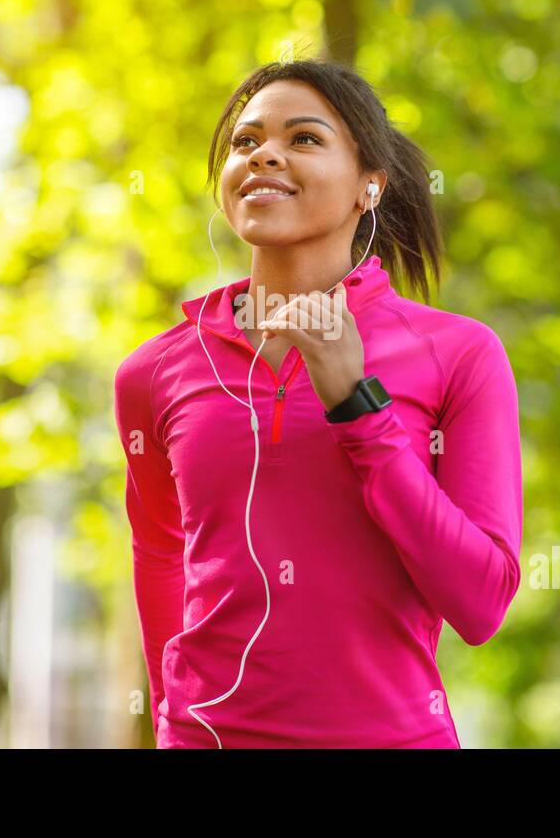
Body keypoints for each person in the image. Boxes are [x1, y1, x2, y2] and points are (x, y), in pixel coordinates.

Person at [113, 58, 524, 748]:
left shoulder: (458, 355)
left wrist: (359, 410)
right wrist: (168, 725)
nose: (264, 153)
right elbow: (162, 556)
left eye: (303, 138)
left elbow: (480, 603)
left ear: (370, 185)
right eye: (246, 142)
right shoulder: (153, 373)